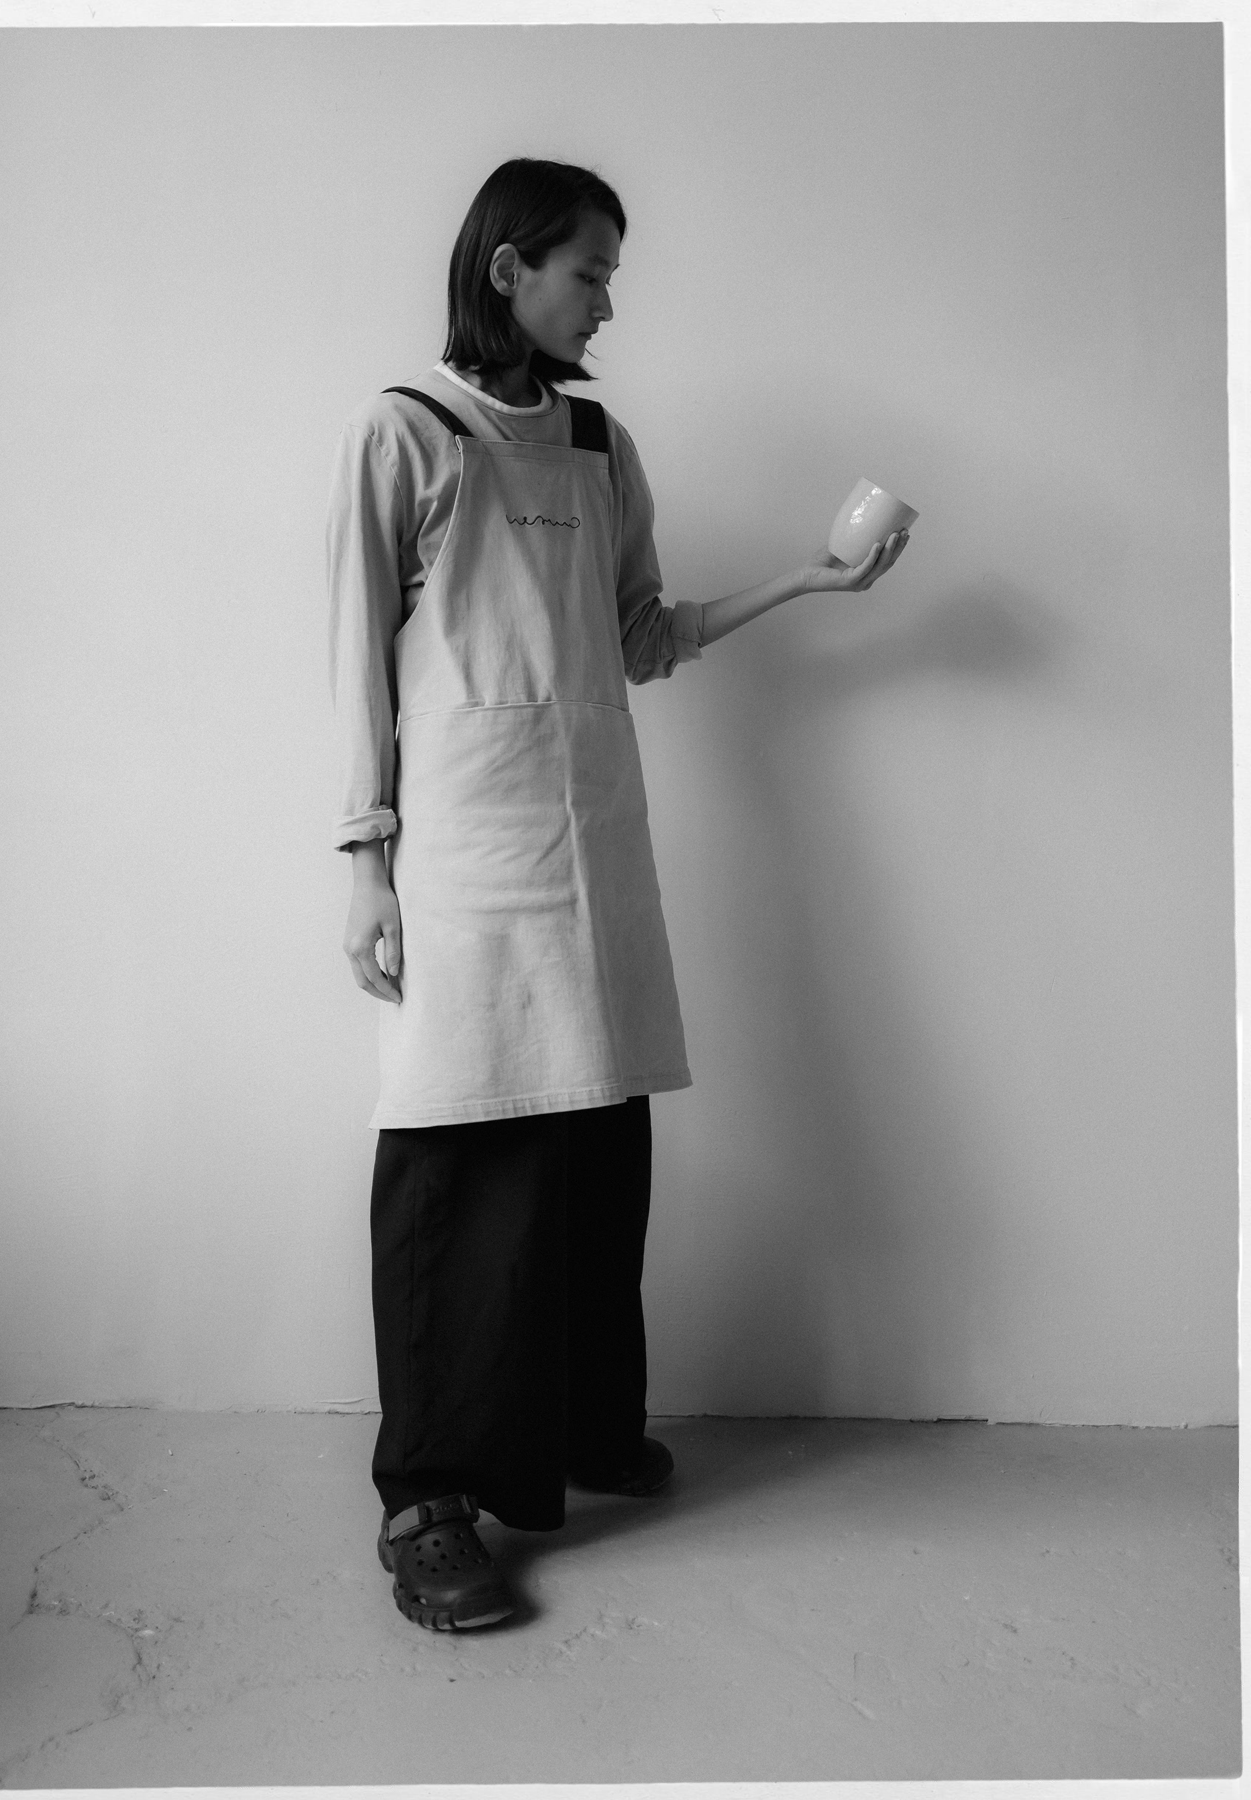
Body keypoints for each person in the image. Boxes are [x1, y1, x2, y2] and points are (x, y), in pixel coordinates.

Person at [327, 158, 909, 1632]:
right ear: (509, 268)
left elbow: (640, 634)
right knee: (456, 1163)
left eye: (610, 276)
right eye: (589, 272)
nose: (606, 303)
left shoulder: (597, 444)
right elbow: (353, 662)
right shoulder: (407, 434)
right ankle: (427, 1498)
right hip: (464, 853)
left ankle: (578, 1427)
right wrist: (365, 865)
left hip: (593, 839)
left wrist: (810, 584)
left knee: (594, 1146)